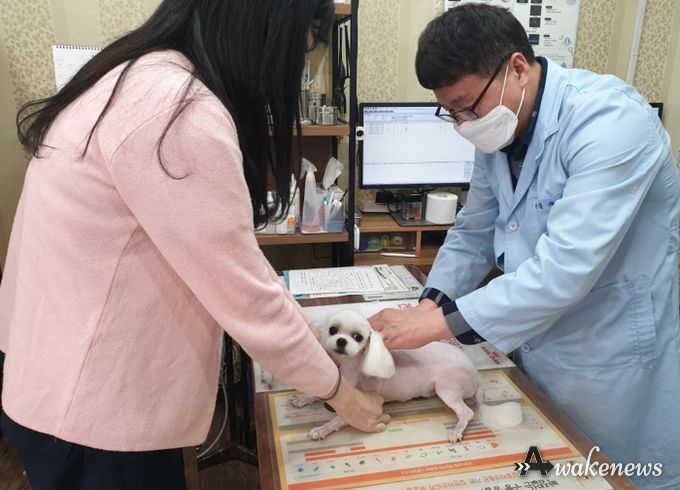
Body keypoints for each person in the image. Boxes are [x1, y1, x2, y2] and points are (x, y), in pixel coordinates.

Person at [0, 1, 389, 488]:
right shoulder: (177, 112)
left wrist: (307, 337)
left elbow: (233, 259)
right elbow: (241, 290)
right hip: (96, 416)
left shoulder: (137, 76)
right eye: (301, 49)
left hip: (56, 382)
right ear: (260, 31)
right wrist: (341, 394)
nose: (297, 71)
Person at [370, 4, 680, 489]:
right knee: (546, 470)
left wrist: (434, 325)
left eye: (467, 106)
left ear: (517, 67)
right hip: (539, 349)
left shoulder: (609, 122)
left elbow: (564, 271)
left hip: (609, 356)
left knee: (616, 476)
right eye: (451, 113)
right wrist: (429, 303)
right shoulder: (500, 126)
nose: (464, 123)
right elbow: (474, 229)